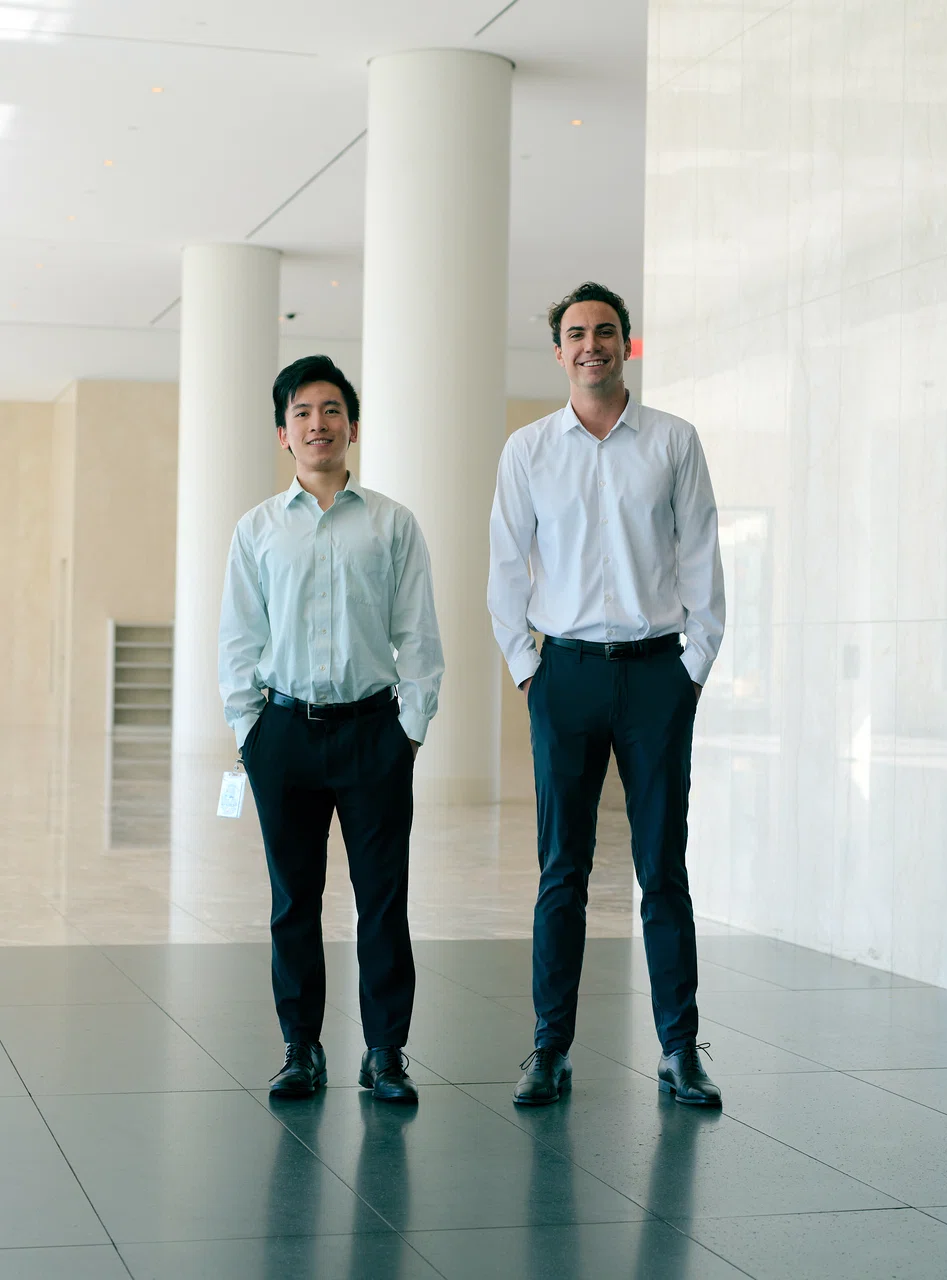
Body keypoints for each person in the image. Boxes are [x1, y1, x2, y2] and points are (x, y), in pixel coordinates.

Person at [488, 283, 725, 1107]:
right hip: (567, 677)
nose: (591, 345)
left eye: (606, 332)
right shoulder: (528, 451)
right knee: (564, 872)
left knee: (662, 868)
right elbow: (504, 567)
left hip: (657, 673)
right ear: (558, 351)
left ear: (629, 344)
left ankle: (678, 1048)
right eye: (576, 334)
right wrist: (529, 668)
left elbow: (701, 558)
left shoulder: (672, 442)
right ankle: (549, 1049)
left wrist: (691, 669)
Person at [219, 354, 443, 1104]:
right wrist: (248, 731)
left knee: (382, 897)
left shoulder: (391, 524)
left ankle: (385, 1053)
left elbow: (420, 636)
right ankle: (300, 1049)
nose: (318, 424)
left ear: (352, 425)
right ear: (283, 433)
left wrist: (408, 729)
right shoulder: (257, 530)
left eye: (331, 411)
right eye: (303, 413)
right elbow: (237, 641)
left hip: (373, 733)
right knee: (294, 901)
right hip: (283, 735)